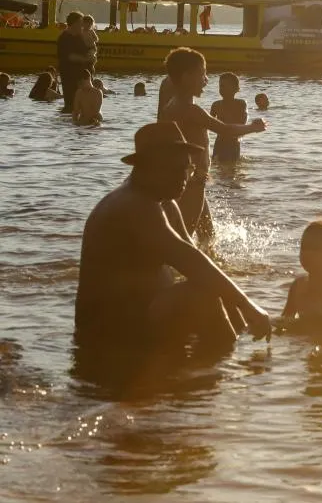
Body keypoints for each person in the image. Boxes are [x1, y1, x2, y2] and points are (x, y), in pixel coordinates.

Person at [74, 122, 271, 359]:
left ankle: (236, 357)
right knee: (203, 297)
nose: (185, 178)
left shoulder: (165, 202)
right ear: (150, 167)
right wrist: (249, 306)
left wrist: (244, 318)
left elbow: (200, 264)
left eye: (187, 169)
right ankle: (223, 377)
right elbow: (189, 261)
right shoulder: (134, 205)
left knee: (211, 288)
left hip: (144, 313)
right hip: (110, 327)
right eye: (176, 169)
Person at [159, 48, 267, 234]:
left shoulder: (172, 104)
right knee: (187, 238)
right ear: (186, 77)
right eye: (202, 74)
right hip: (193, 183)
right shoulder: (191, 110)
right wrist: (252, 127)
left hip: (191, 180)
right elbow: (225, 130)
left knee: (208, 237)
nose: (206, 80)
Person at [279, 221, 322, 335]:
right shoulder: (297, 285)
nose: (307, 253)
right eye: (304, 247)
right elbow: (285, 319)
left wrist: (295, 325)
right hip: (303, 337)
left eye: (315, 249)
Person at [56, 12, 93, 113]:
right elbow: (70, 56)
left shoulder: (79, 36)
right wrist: (86, 59)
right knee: (71, 103)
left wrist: (91, 53)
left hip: (82, 75)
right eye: (80, 23)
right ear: (74, 23)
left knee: (84, 103)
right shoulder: (64, 38)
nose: (82, 26)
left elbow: (86, 50)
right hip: (70, 75)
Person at [209, 72, 248, 163]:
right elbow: (209, 123)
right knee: (217, 164)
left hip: (233, 143)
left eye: (225, 86)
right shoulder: (216, 105)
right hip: (219, 142)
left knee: (232, 167)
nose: (222, 89)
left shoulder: (241, 103)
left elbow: (243, 122)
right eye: (220, 86)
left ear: (236, 88)